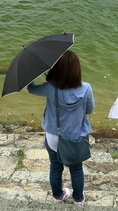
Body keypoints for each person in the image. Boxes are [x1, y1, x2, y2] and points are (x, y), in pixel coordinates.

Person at [27, 50, 95, 206]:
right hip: (76, 137)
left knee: (55, 168)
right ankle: (78, 199)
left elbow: (31, 89)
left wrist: (32, 74)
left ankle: (58, 196)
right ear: (77, 70)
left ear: (55, 69)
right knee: (76, 169)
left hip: (54, 137)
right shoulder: (86, 88)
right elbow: (89, 110)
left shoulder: (50, 88)